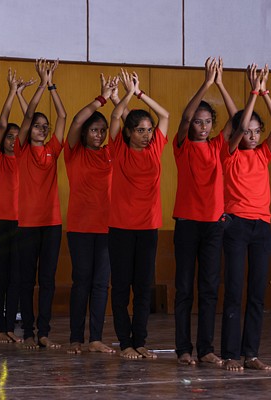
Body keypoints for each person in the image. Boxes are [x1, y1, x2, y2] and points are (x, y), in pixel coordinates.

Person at [173, 57, 237, 366]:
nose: (202, 126)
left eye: (207, 122)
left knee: (209, 288)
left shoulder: (217, 146)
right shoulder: (183, 145)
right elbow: (185, 117)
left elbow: (238, 120)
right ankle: (183, 349)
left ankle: (206, 349)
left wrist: (221, 84)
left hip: (213, 225)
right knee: (185, 289)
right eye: (199, 122)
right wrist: (206, 83)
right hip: (187, 224)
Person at [220, 64, 271, 371]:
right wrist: (252, 93)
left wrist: (264, 91)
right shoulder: (230, 152)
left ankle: (251, 353)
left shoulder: (262, 153)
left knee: (257, 293)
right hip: (236, 224)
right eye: (249, 131)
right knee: (234, 291)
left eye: (258, 131)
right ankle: (231, 354)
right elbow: (240, 125)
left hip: (262, 226)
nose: (254, 136)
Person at [108, 69, 169, 359]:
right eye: (140, 130)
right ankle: (125, 343)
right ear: (129, 132)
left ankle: (140, 341)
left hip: (148, 228)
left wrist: (140, 93)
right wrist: (127, 95)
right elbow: (115, 116)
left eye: (149, 130)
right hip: (121, 228)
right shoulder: (118, 149)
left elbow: (165, 115)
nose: (147, 135)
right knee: (121, 288)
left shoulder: (156, 148)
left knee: (144, 288)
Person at [64, 74, 118, 355]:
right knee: (81, 282)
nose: (99, 135)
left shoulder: (110, 153)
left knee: (101, 285)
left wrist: (119, 100)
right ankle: (76, 338)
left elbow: (127, 126)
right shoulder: (74, 152)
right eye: (94, 130)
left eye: (102, 131)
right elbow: (75, 120)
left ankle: (95, 338)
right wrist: (102, 99)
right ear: (85, 133)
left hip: (107, 229)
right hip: (80, 229)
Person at [15, 59, 66, 349]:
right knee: (27, 281)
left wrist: (52, 86)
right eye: (38, 126)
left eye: (45, 127)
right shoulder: (22, 149)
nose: (43, 129)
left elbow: (63, 115)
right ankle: (28, 333)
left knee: (48, 280)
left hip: (52, 224)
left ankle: (44, 332)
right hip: (28, 225)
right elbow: (28, 115)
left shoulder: (53, 150)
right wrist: (41, 85)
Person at [0, 68, 34, 343]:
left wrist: (23, 97)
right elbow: (2, 123)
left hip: (23, 224)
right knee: (1, 277)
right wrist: (11, 93)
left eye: (17, 136)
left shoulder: (26, 158)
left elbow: (30, 121)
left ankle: (10, 329)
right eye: (9, 136)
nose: (13, 140)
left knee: (17, 278)